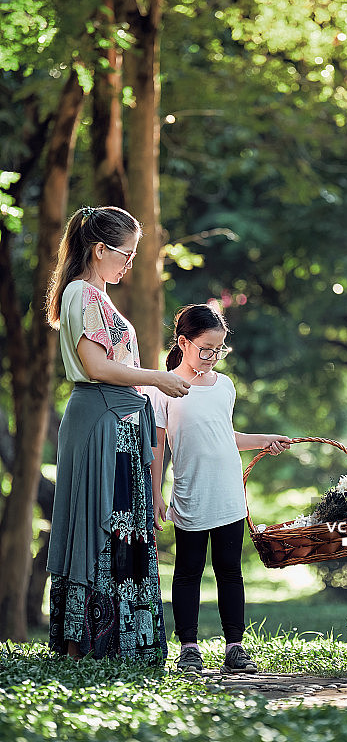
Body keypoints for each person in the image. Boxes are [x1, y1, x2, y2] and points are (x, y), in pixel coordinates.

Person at [46, 205, 190, 663]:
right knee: (97, 527)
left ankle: (116, 644)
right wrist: (157, 379)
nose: (131, 263)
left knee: (122, 526)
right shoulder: (82, 294)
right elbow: (97, 367)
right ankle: (86, 644)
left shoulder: (99, 296)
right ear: (99, 249)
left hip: (120, 424)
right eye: (125, 254)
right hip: (100, 423)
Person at [145, 303, 291, 675]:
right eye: (205, 348)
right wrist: (156, 493)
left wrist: (264, 440)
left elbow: (227, 437)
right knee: (188, 571)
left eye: (219, 349)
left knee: (230, 571)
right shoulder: (164, 390)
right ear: (183, 342)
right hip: (191, 495)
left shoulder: (225, 385)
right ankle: (189, 647)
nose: (212, 357)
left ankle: (235, 647)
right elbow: (159, 447)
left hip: (228, 494)